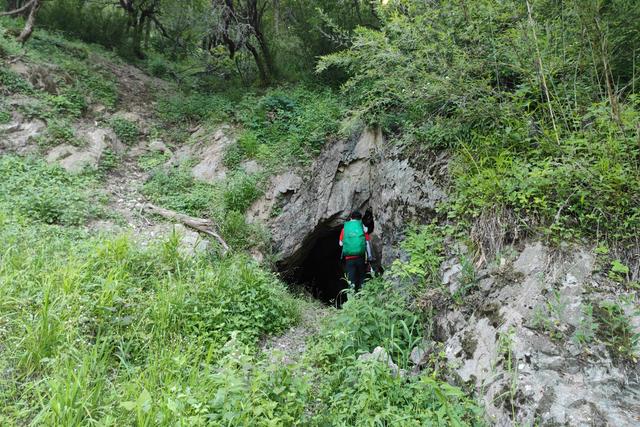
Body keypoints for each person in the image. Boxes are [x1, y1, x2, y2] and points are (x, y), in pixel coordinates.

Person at [339, 211, 373, 292]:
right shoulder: (361, 227)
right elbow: (367, 242)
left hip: (349, 258)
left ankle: (352, 297)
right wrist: (370, 257)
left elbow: (340, 244)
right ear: (360, 219)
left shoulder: (345, 229)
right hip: (360, 257)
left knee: (351, 279)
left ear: (351, 217)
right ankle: (362, 295)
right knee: (362, 276)